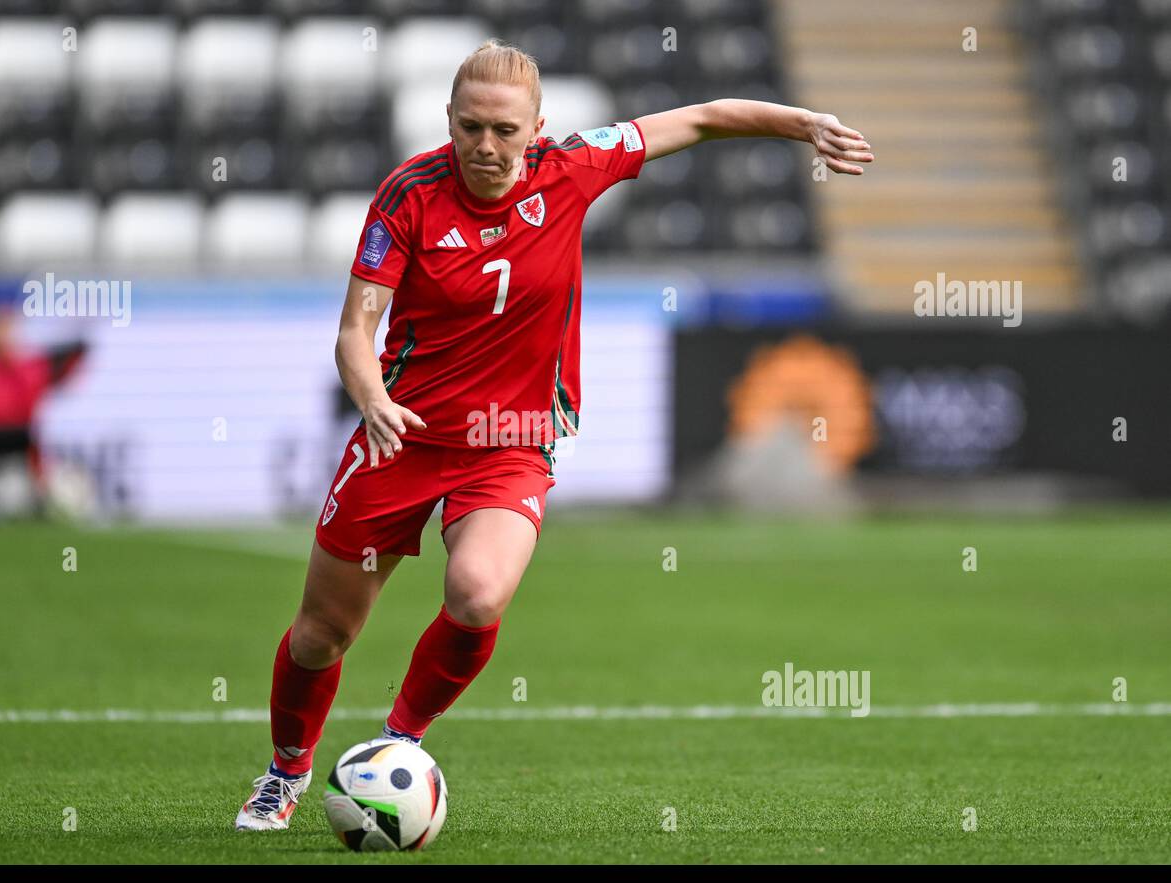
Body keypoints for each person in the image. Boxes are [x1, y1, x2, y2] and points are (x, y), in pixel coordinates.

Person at [235, 38, 872, 830]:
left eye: (505, 130)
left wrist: (804, 123)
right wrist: (371, 399)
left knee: (477, 594)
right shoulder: (408, 196)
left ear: (538, 128)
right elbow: (354, 332)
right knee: (322, 635)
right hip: (400, 436)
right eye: (471, 127)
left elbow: (706, 117)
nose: (487, 147)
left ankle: (397, 746)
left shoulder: (573, 167)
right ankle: (283, 774)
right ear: (449, 122)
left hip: (511, 440)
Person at [0, 302, 87, 517]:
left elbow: (63, 369)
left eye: (6, 327)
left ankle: (42, 503)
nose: (2, 334)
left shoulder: (29, 368)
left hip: (26, 455)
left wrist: (80, 334)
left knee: (58, 486)